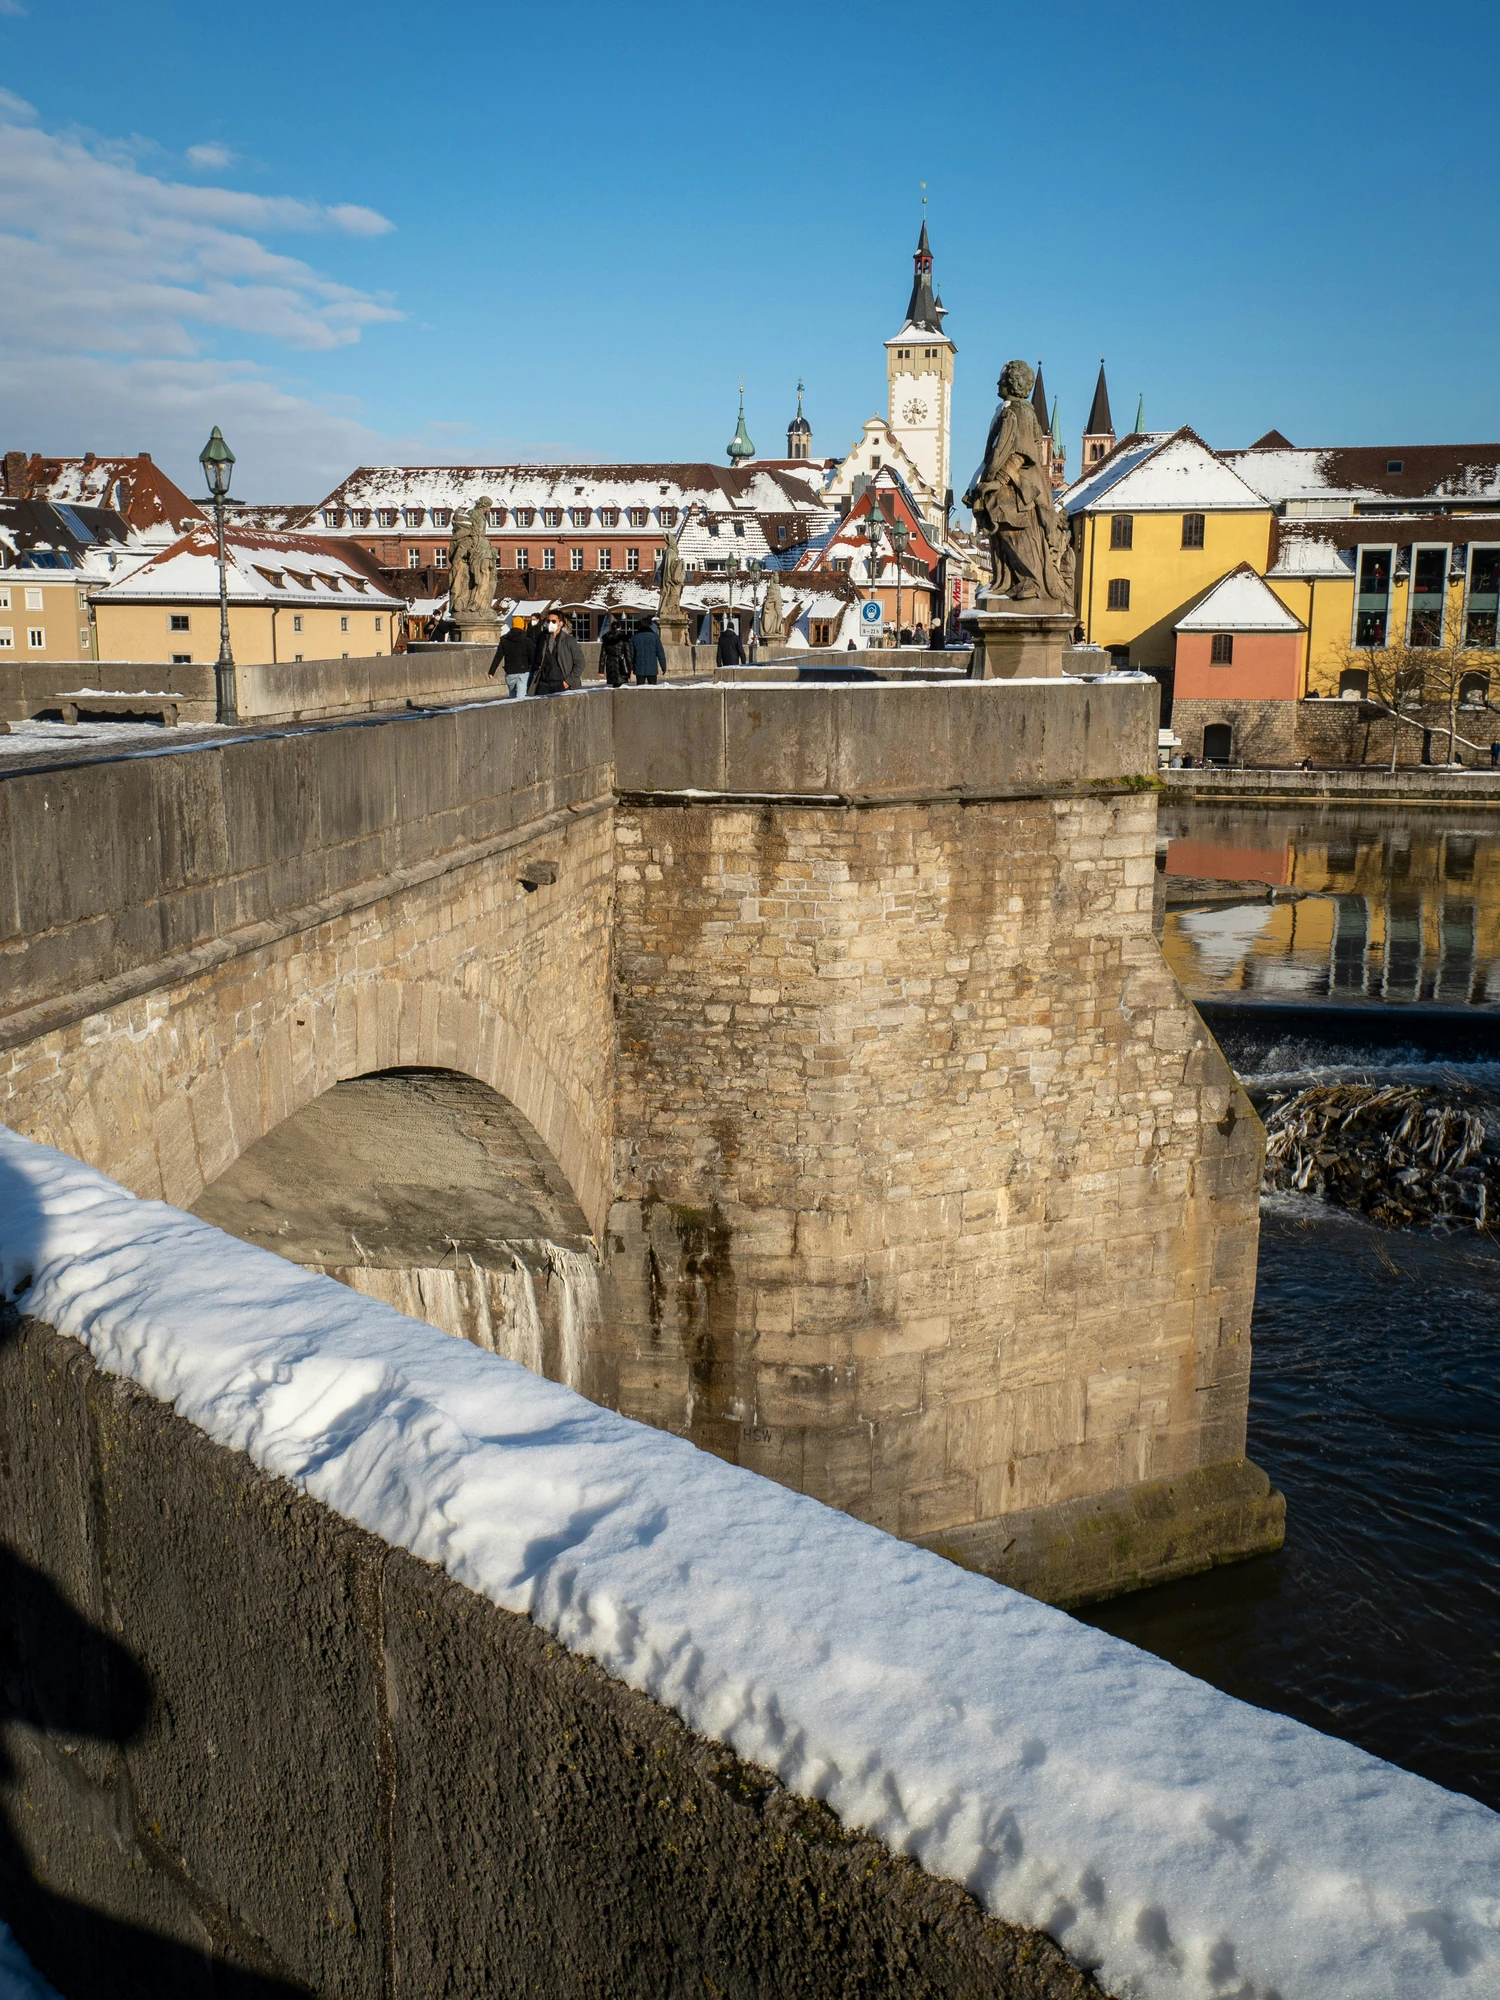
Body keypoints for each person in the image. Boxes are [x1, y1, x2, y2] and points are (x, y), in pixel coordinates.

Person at [531, 611, 585, 696]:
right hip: (543, 684)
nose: (550, 624)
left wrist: (568, 681)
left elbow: (580, 662)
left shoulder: (569, 641)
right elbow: (534, 661)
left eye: (553, 621)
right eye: (548, 621)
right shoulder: (541, 638)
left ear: (560, 623)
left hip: (561, 683)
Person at [488, 615, 534, 699]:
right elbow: (532, 656)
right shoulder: (527, 640)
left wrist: (491, 671)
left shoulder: (504, 639)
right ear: (522, 626)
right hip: (523, 671)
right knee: (521, 697)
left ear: (512, 625)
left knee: (512, 696)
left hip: (510, 671)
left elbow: (498, 656)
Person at [630, 619, 667, 685]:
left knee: (640, 689)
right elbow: (660, 653)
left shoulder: (634, 637)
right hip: (652, 667)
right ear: (650, 626)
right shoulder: (655, 637)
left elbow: (631, 654)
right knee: (653, 688)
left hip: (639, 667)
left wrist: (631, 667)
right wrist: (663, 667)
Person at [600, 620, 633, 688]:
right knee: (621, 684)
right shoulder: (623, 637)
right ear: (619, 627)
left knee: (614, 684)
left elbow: (602, 656)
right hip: (621, 662)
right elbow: (628, 653)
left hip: (610, 662)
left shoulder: (606, 638)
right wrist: (631, 667)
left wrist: (601, 670)